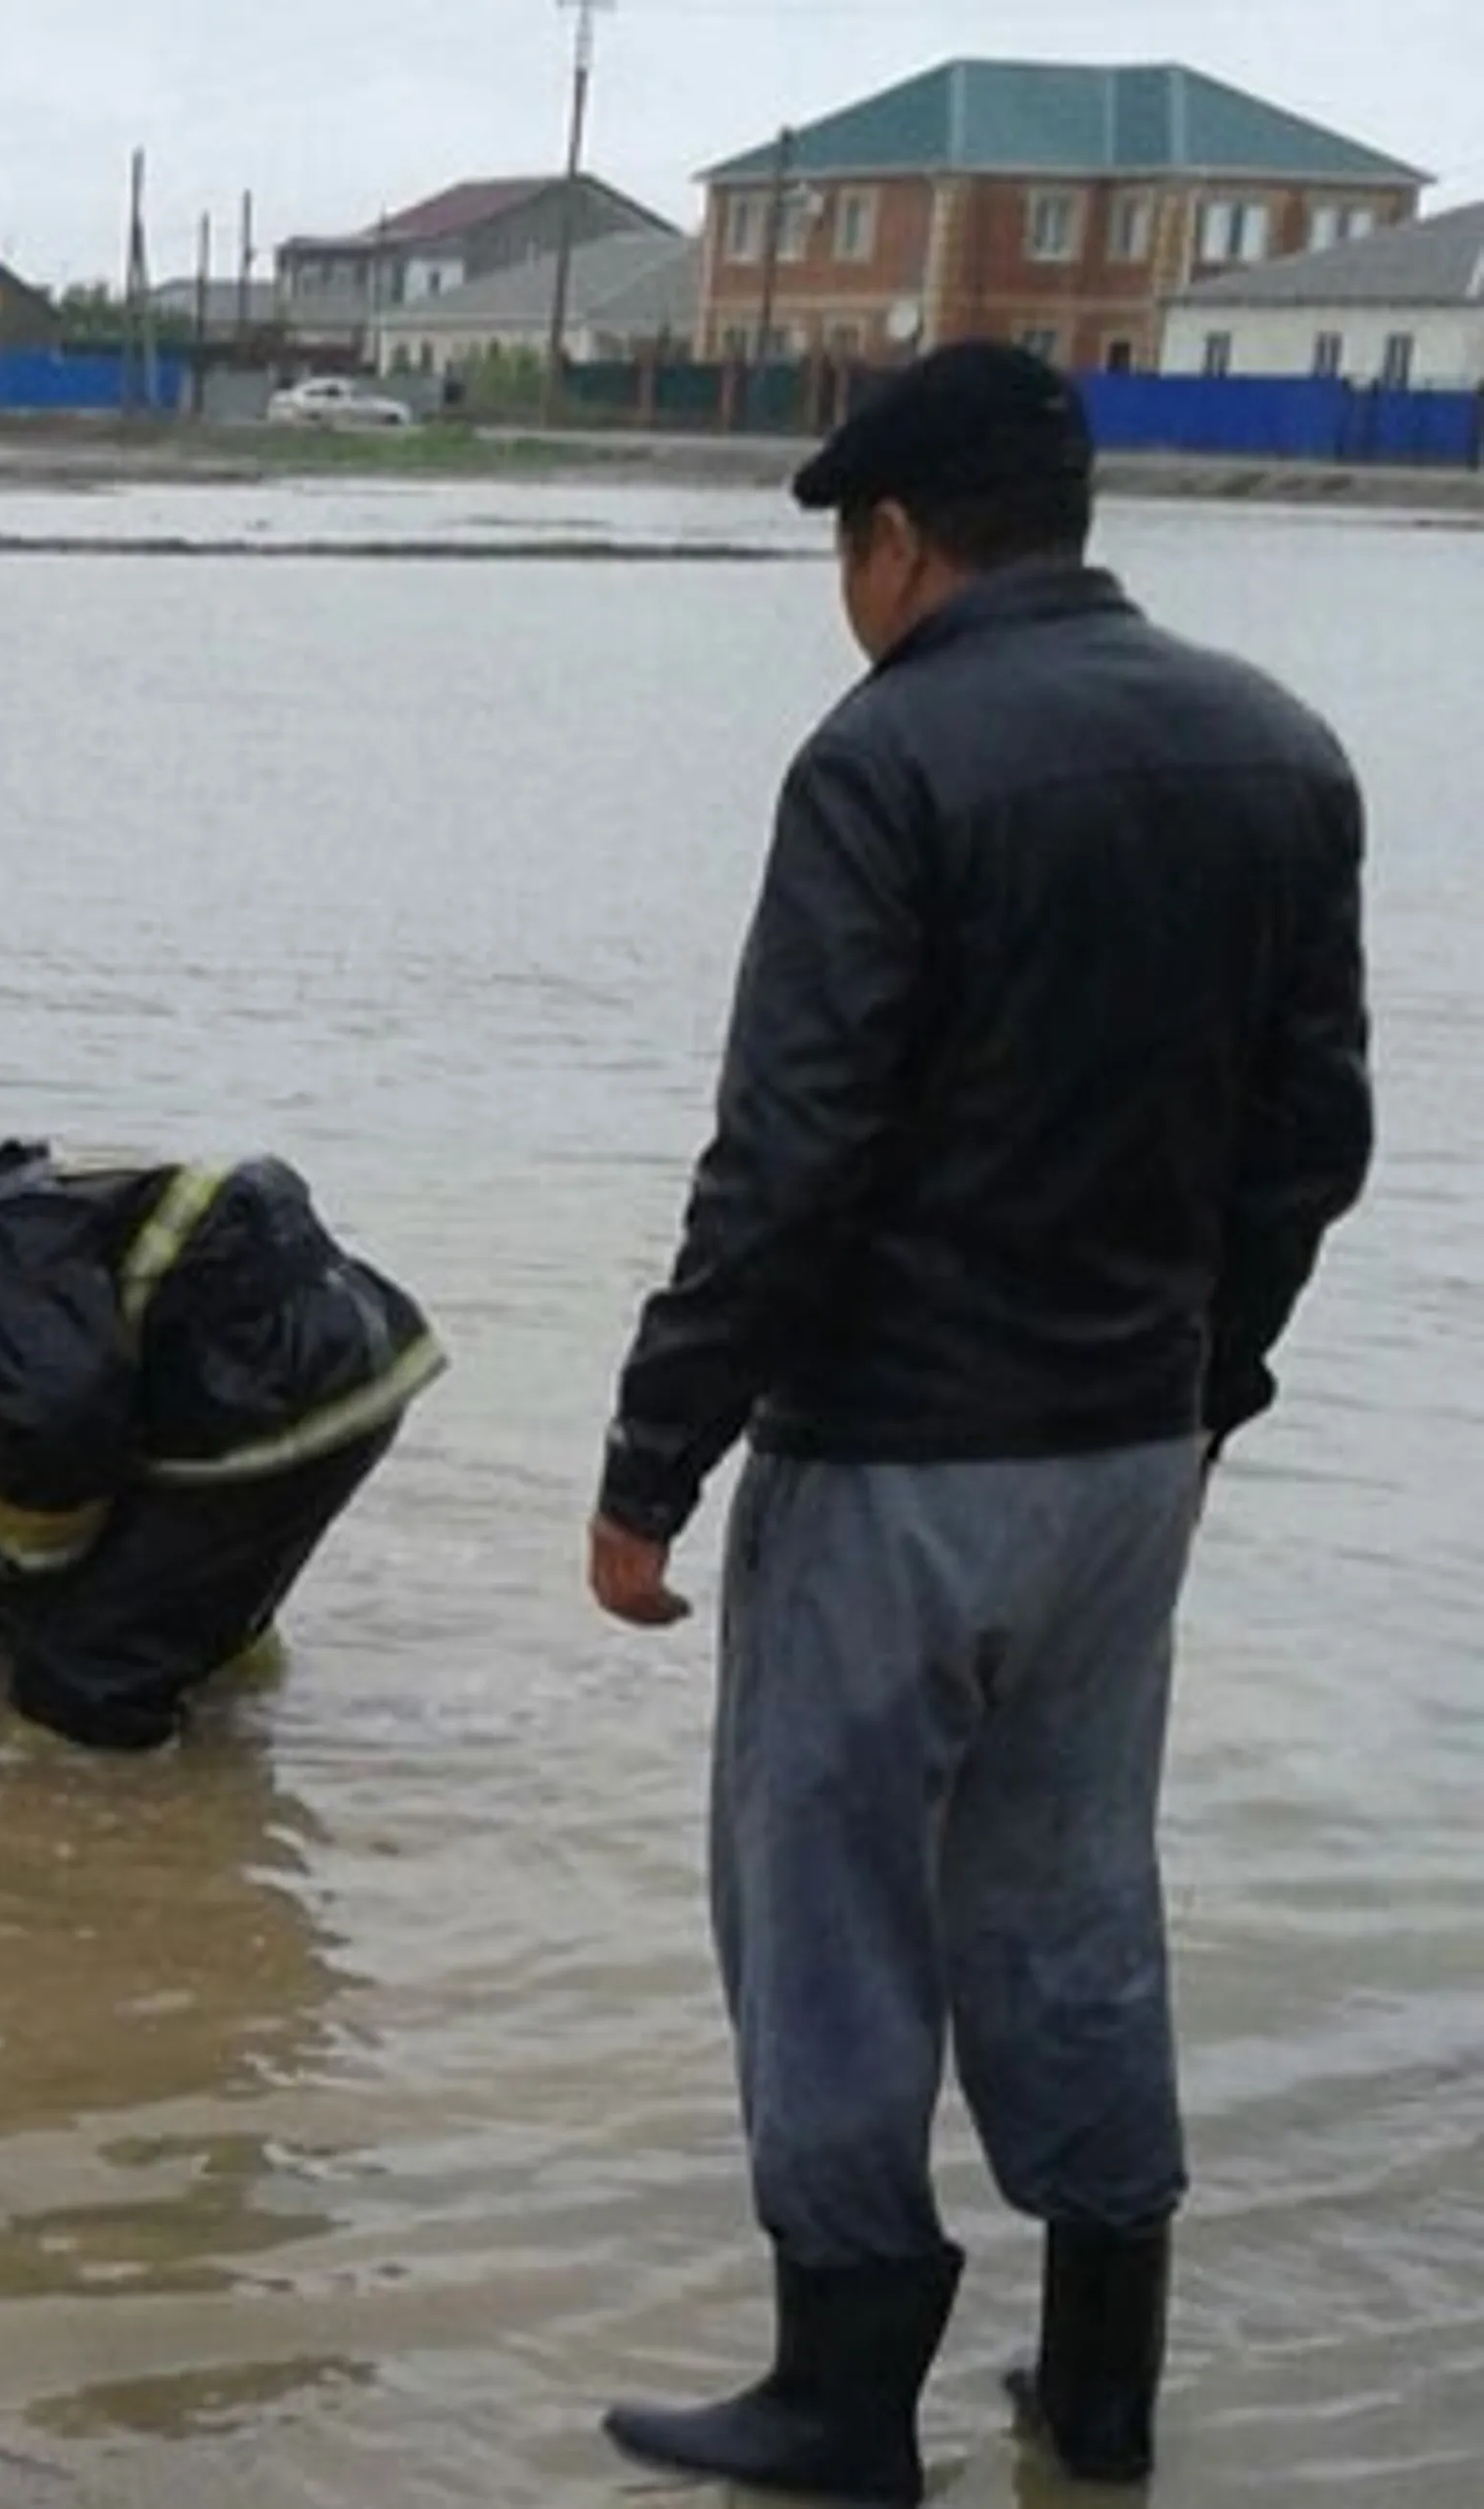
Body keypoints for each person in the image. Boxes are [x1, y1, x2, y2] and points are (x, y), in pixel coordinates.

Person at [586, 344, 1373, 2504]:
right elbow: (1317, 1137)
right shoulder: (1280, 750)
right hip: (1127, 1462)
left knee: (822, 1902)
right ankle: (1096, 2389)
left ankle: (843, 2400)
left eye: (852, 553)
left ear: (899, 543)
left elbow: (790, 1157)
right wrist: (1205, 1390)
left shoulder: (885, 759)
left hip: (903, 1458)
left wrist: (654, 1457)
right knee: (1071, 1895)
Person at [0, 1086, 445, 1752]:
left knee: (81, 1682)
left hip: (272, 1399)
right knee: (166, 1607)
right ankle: (236, 1732)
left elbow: (56, 1424)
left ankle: (107, 1838)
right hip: (342, 1360)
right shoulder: (18, 1207)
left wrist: (30, 1568)